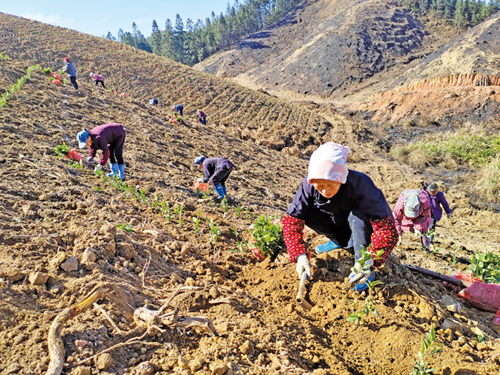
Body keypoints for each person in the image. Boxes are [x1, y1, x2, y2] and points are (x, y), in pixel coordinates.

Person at [282, 142, 398, 292]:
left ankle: (362, 269)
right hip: (336, 221)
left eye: (331, 185)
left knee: (357, 217)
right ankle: (339, 240)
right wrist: (299, 255)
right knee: (306, 213)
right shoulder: (308, 186)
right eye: (320, 186)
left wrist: (369, 260)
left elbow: (387, 229)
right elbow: (292, 221)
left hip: (359, 226)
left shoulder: (361, 185)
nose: (325, 191)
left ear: (341, 178)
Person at [393, 188, 432, 253]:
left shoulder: (425, 202)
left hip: (420, 216)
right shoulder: (400, 205)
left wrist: (418, 228)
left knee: (423, 230)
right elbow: (396, 219)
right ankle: (395, 246)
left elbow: (425, 217)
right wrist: (398, 234)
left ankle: (425, 249)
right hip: (405, 216)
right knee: (398, 229)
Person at [426, 182, 452, 249]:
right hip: (425, 213)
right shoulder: (425, 194)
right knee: (424, 227)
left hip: (434, 213)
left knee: (431, 227)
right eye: (433, 192)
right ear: (429, 191)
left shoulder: (440, 194)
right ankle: (424, 240)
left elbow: (444, 203)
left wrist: (448, 212)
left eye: (436, 191)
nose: (435, 193)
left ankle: (430, 241)